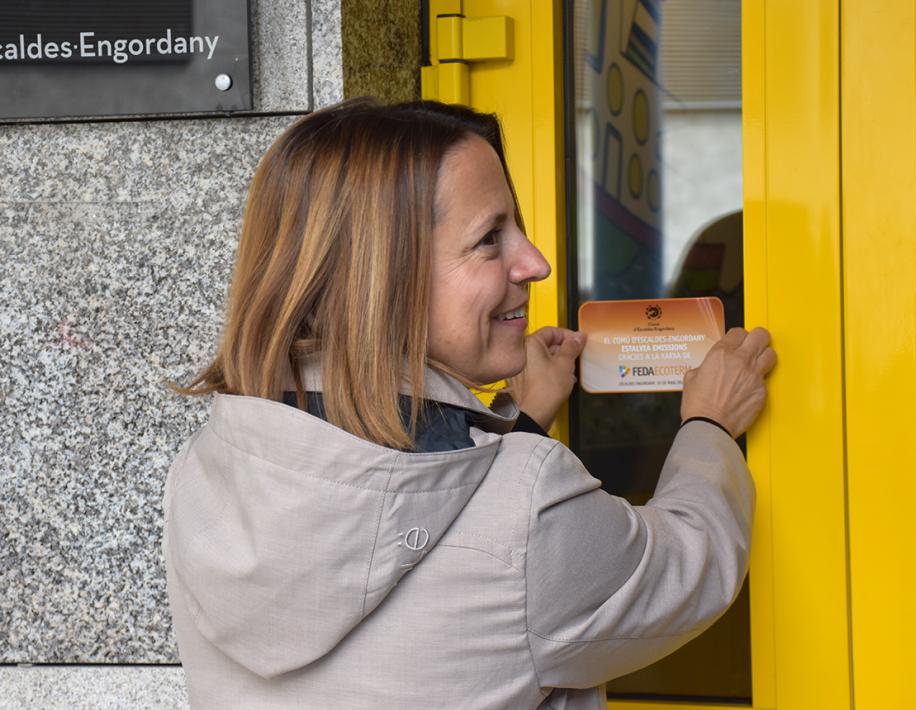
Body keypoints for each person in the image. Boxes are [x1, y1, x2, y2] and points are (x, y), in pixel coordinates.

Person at [162, 97, 776, 709]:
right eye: (489, 239)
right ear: (381, 276)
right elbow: (688, 568)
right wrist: (709, 424)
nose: (534, 263)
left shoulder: (206, 469)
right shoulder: (528, 508)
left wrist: (525, 425)